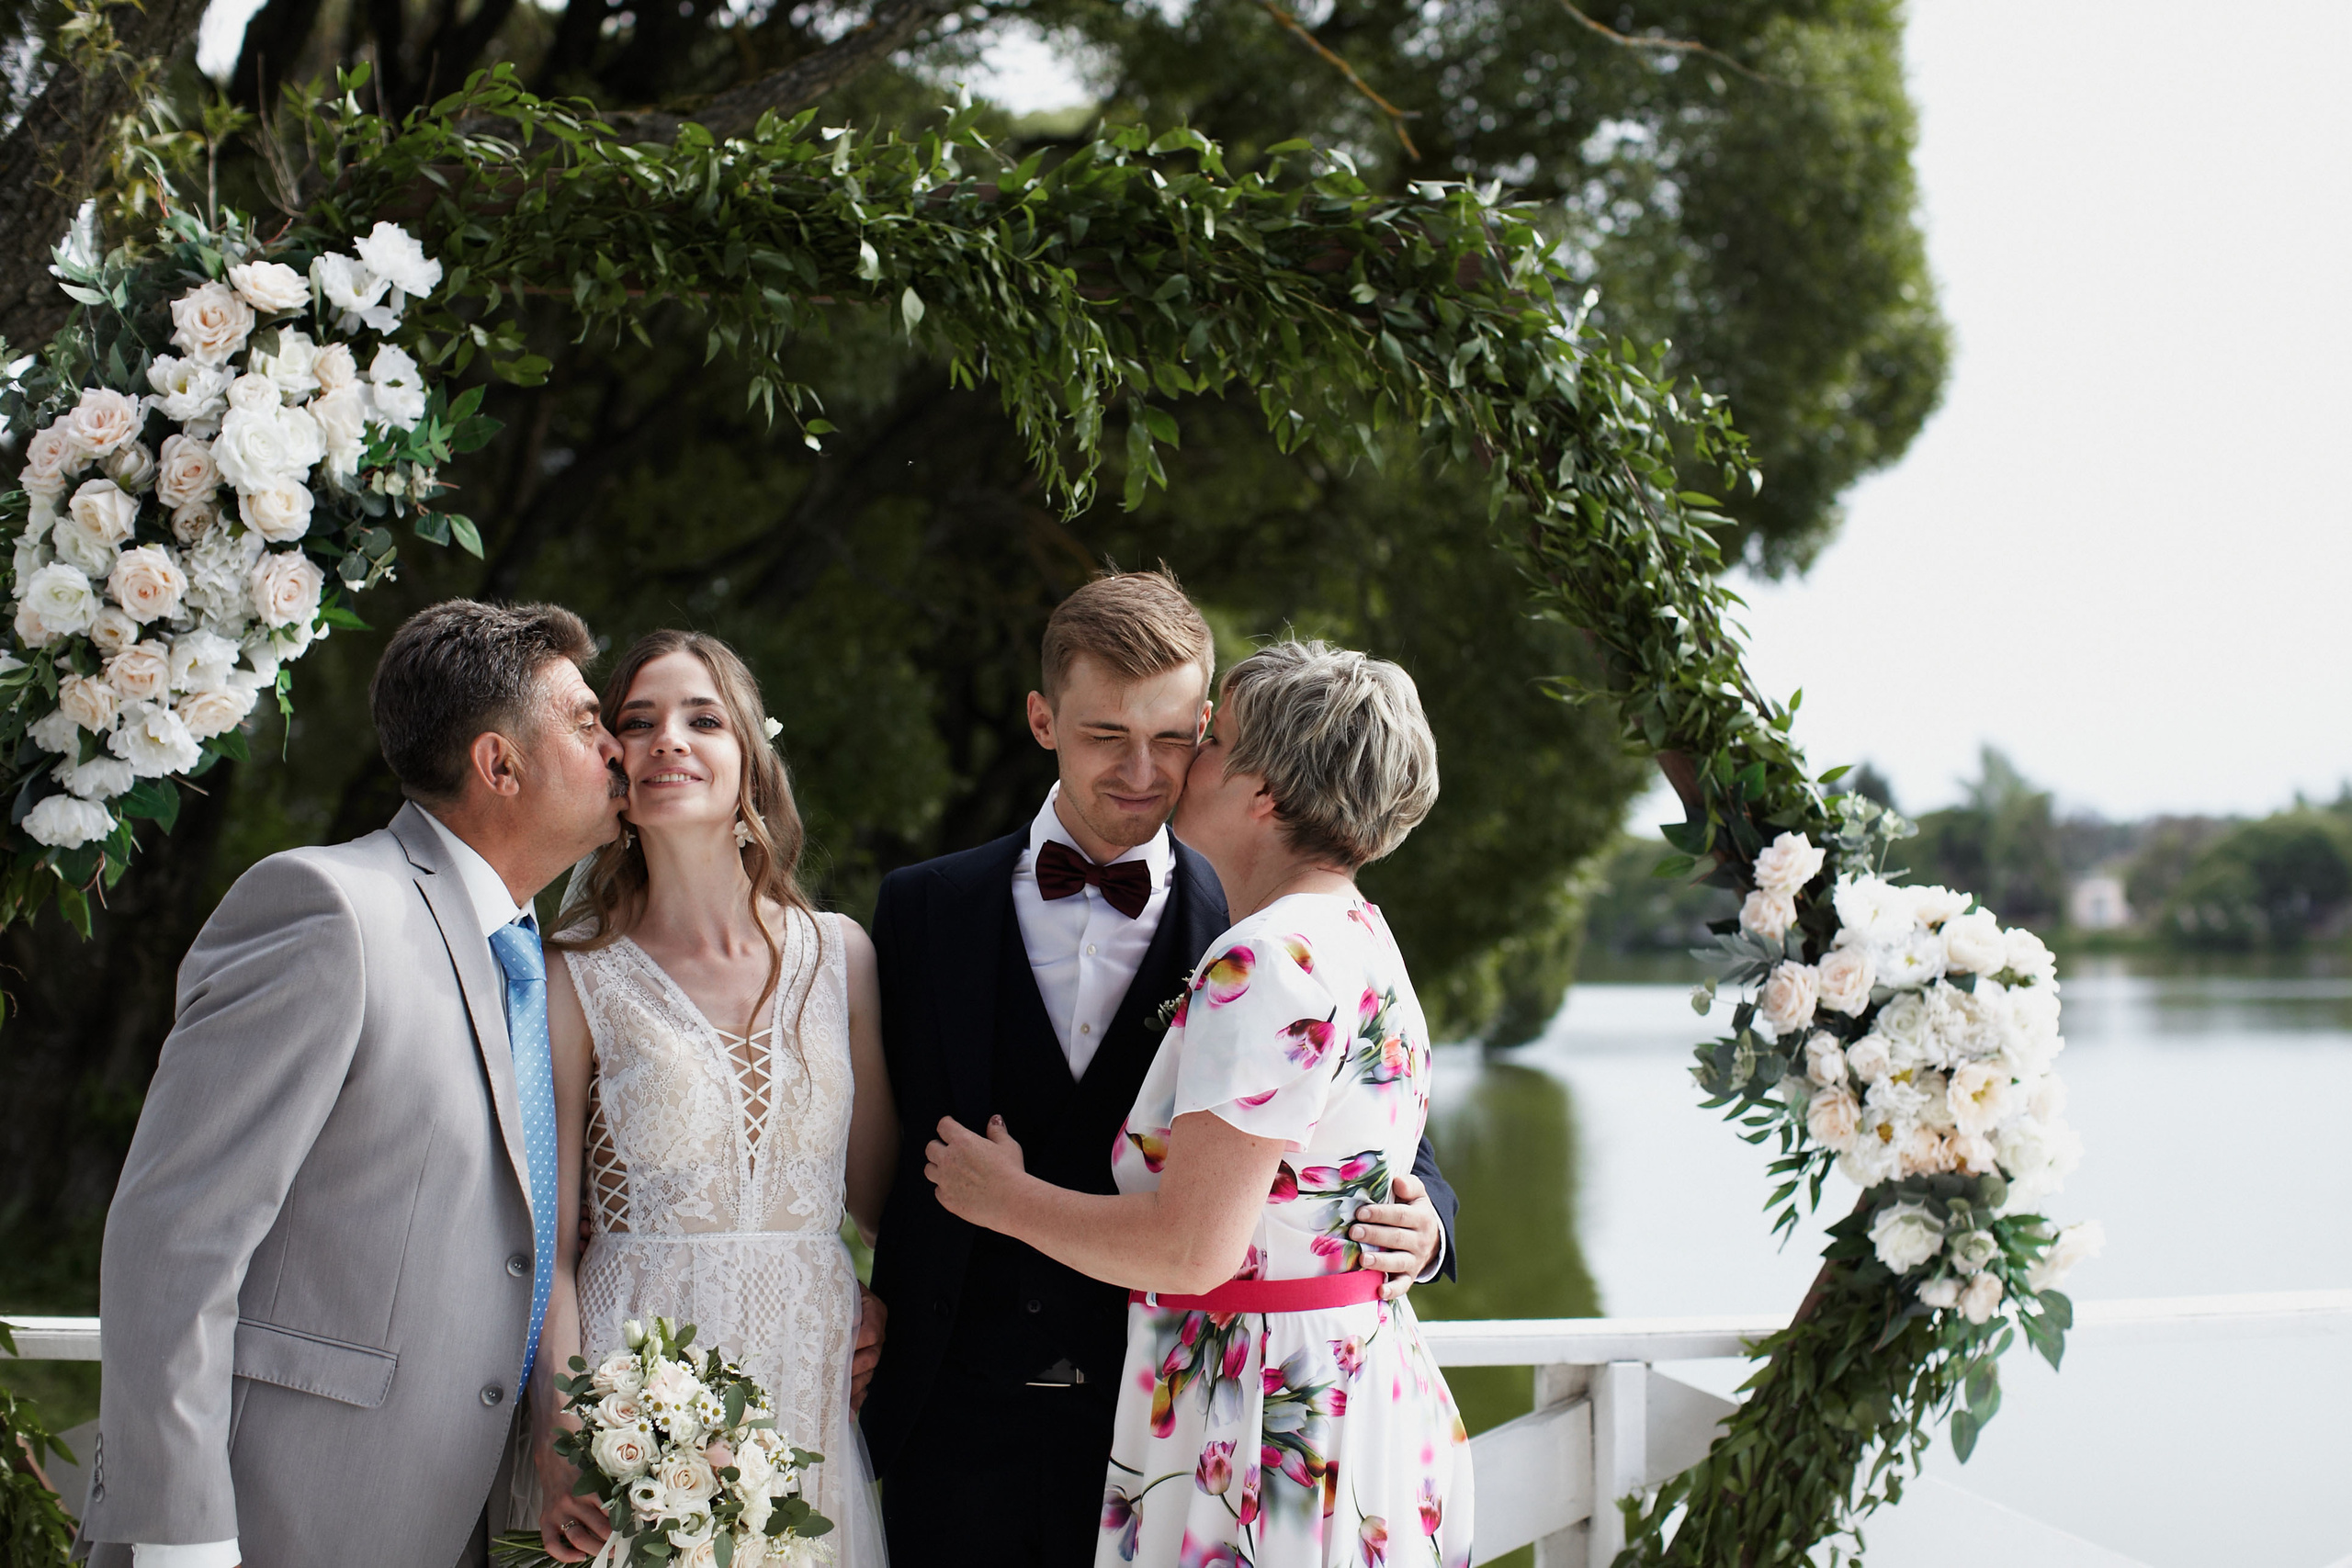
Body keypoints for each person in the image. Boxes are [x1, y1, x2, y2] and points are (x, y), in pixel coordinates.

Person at [861, 575, 1458, 1568]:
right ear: (1042, 720)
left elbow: (1370, 1133)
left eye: (1183, 739)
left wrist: (1427, 1220)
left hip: (1165, 1427)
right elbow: (864, 1146)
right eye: (1106, 737)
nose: (1145, 773)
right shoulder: (923, 909)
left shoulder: (1260, 934)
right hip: (954, 1426)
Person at [79, 601, 628, 1568]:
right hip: (268, 1520)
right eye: (587, 724)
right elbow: (173, 1240)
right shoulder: (328, 910)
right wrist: (183, 1538)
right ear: (499, 766)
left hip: (439, 1521)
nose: (617, 747)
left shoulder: (532, 964)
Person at [522, 630, 894, 1566]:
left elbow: (881, 1203)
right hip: (641, 1395)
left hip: (807, 1380)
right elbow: (548, 1244)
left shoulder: (839, 956)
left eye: (702, 719)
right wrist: (561, 1438)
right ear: (613, 766)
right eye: (637, 723)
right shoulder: (575, 974)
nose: (668, 742)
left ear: (749, 761)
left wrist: (885, 1304)